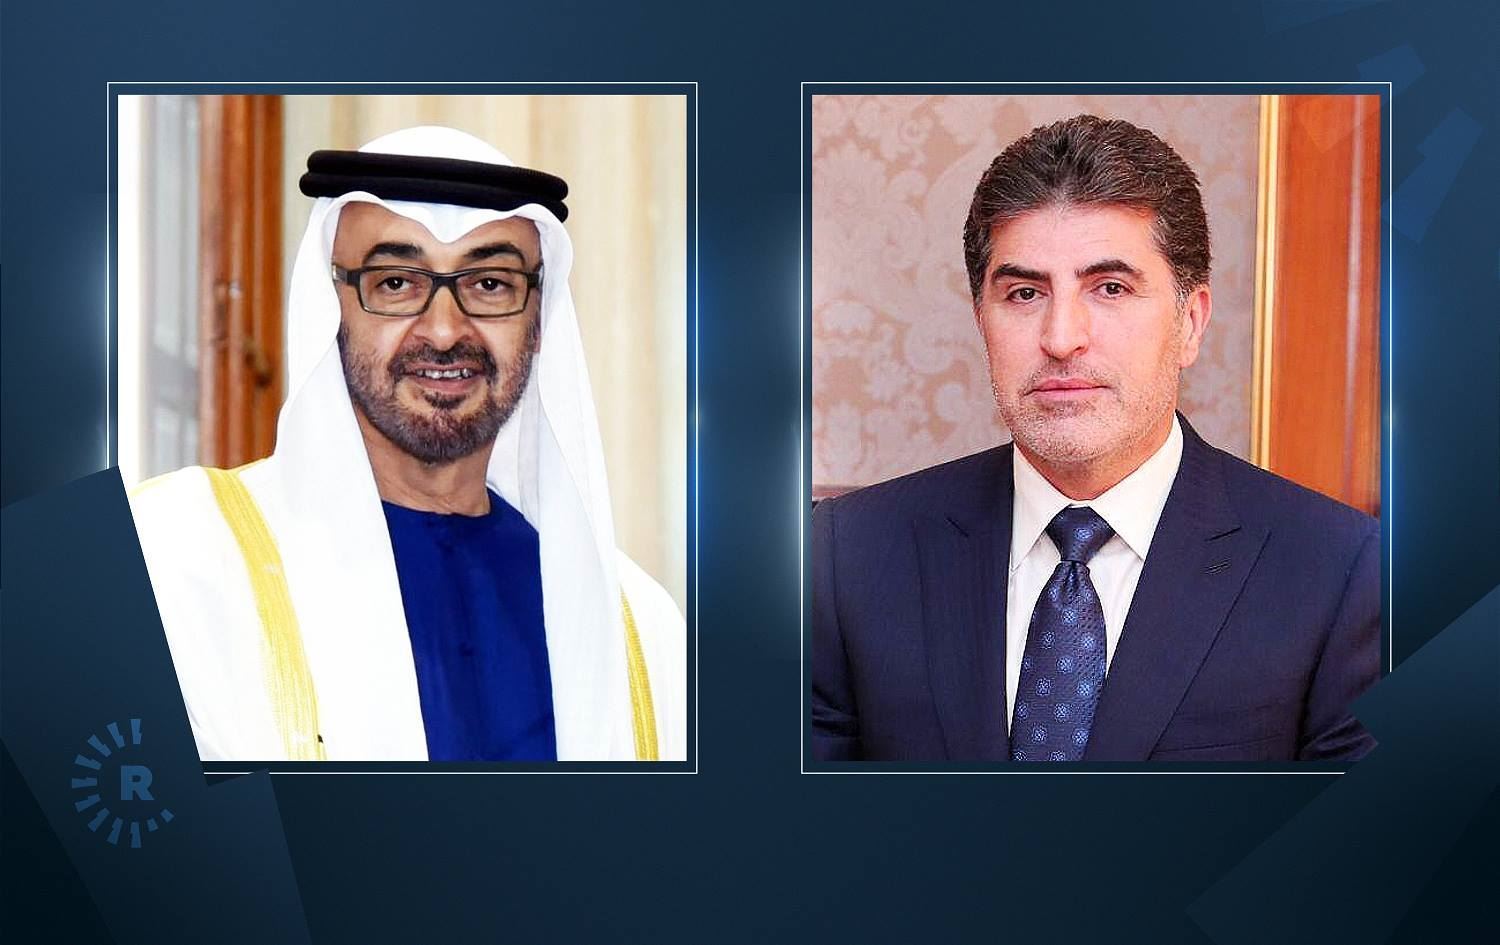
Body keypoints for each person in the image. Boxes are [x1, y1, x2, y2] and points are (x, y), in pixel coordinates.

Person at [811, 115, 1380, 763]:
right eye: (1024, 293)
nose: (1061, 338)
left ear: (1190, 323)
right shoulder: (845, 554)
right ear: (981, 320)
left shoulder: (1343, 573)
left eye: (1110, 288)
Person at [130, 126, 685, 763]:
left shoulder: (636, 623)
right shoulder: (175, 556)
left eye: (490, 284)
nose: (444, 331)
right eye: (395, 283)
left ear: (538, 319)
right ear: (331, 307)